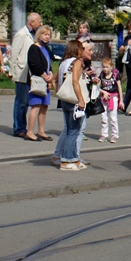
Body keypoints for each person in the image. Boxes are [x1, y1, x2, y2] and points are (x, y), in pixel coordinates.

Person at [56, 40, 90, 171]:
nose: (82, 50)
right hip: (74, 99)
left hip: (65, 99)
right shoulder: (76, 62)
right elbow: (75, 82)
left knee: (70, 129)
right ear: (76, 49)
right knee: (73, 131)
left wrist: (60, 91)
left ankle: (74, 158)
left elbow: (54, 79)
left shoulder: (64, 63)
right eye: (81, 48)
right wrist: (81, 99)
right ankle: (66, 160)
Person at [8, 12, 41, 137]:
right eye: (39, 21)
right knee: (21, 102)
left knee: (27, 102)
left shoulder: (33, 34)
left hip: (30, 73)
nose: (40, 24)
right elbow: (14, 54)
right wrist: (12, 72)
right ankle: (19, 128)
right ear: (32, 22)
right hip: (21, 72)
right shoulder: (22, 34)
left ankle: (24, 127)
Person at [23, 25, 55, 142]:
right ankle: (29, 131)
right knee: (35, 106)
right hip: (37, 81)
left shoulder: (46, 49)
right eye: (45, 34)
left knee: (44, 107)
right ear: (39, 35)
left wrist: (50, 73)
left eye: (48, 35)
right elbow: (34, 64)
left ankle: (41, 131)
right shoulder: (33, 48)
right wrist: (44, 75)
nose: (47, 37)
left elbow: (48, 63)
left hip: (45, 82)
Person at [98, 57, 121, 143]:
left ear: (111, 67)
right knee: (103, 117)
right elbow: (97, 87)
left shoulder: (115, 75)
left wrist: (121, 100)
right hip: (104, 98)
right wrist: (103, 92)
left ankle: (115, 135)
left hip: (113, 97)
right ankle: (104, 134)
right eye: (103, 67)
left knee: (113, 118)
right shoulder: (101, 75)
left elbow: (119, 88)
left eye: (107, 67)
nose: (105, 69)